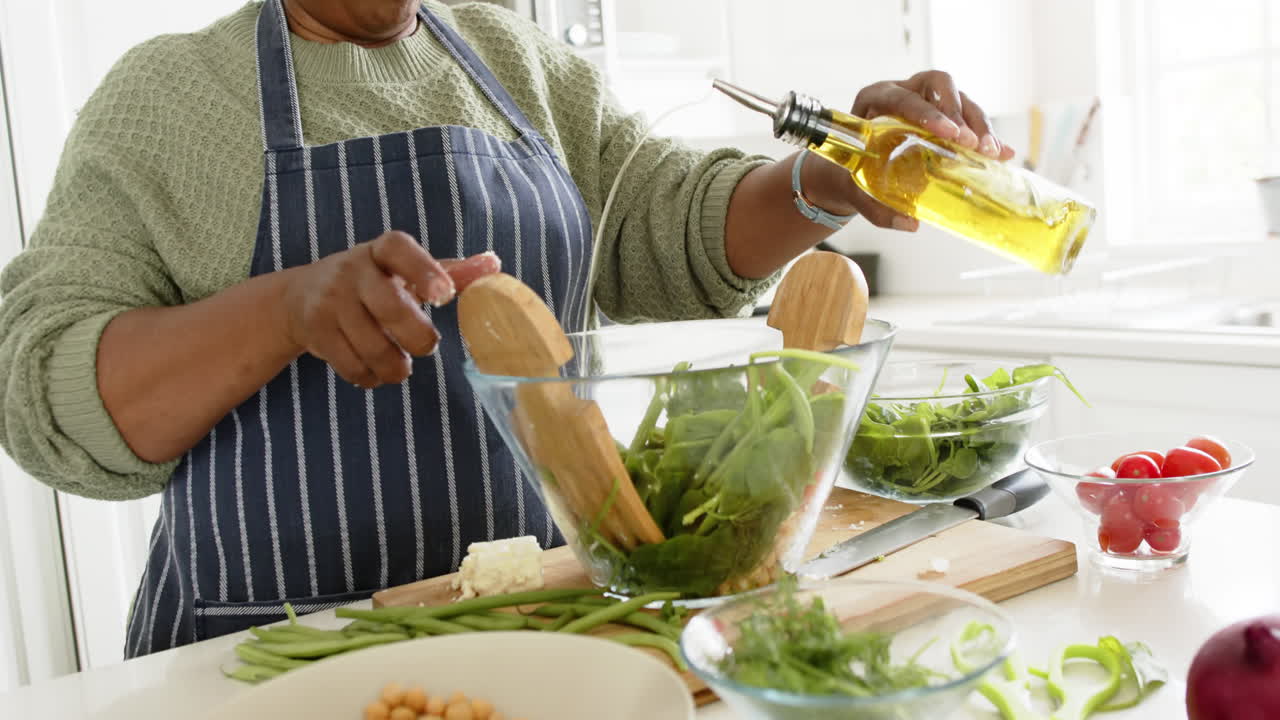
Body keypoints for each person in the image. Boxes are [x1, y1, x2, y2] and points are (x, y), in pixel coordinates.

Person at [0, 0, 1014, 658]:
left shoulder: (513, 61)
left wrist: (835, 174)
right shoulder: (168, 100)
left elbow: (661, 229)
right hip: (268, 661)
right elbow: (40, 389)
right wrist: (282, 309)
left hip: (538, 634)